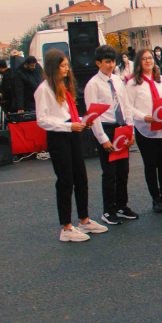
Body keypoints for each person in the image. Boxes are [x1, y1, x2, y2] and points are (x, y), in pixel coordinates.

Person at [35, 49, 107, 242]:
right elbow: (42, 120)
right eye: (63, 65)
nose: (67, 68)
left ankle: (84, 220)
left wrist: (84, 121)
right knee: (66, 181)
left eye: (67, 65)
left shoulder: (62, 86)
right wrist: (68, 126)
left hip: (72, 134)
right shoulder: (43, 90)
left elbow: (67, 114)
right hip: (59, 138)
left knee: (81, 178)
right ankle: (66, 228)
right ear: (53, 66)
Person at [85, 45, 138, 225]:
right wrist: (103, 139)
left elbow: (126, 106)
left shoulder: (117, 80)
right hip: (106, 129)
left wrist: (130, 130)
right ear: (98, 63)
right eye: (107, 62)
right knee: (110, 173)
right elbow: (93, 115)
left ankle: (122, 206)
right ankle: (109, 210)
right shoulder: (93, 84)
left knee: (123, 171)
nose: (110, 65)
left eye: (113, 61)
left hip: (121, 128)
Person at [126, 48, 162, 213]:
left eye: (150, 58)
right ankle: (155, 198)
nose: (148, 61)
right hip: (145, 129)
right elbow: (128, 107)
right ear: (138, 63)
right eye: (144, 59)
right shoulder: (133, 83)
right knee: (150, 165)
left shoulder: (161, 79)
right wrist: (142, 116)